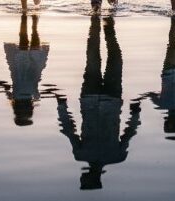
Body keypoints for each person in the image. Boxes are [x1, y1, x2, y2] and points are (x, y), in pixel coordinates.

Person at [54, 15, 140, 190]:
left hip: (100, 100)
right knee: (99, 56)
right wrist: (61, 106)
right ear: (91, 178)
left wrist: (135, 113)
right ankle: (104, 26)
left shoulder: (111, 156)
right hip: (99, 99)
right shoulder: (112, 156)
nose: (82, 176)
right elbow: (69, 129)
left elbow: (69, 130)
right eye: (84, 179)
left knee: (104, 57)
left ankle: (102, 26)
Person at [1, 13, 49, 126]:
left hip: (33, 68)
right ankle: (25, 21)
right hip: (20, 67)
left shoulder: (34, 96)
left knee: (34, 45)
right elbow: (6, 87)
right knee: (23, 42)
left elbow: (44, 92)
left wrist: (53, 92)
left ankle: (33, 25)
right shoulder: (15, 97)